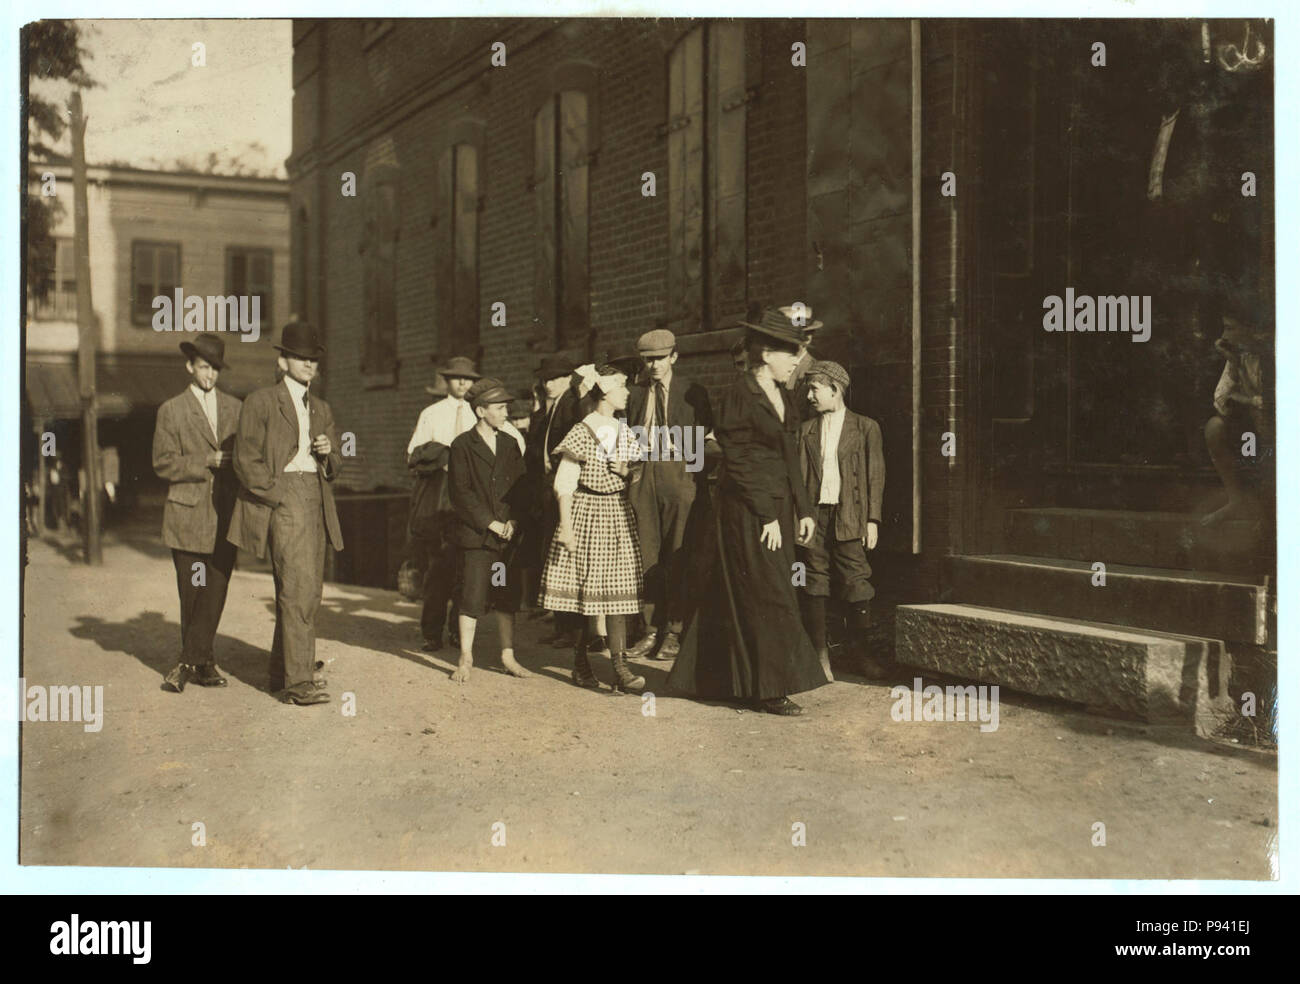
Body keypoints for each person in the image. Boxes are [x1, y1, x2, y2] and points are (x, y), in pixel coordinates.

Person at [668, 308, 829, 716]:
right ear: (767, 354)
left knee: (735, 592)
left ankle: (715, 679)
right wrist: (767, 515)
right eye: (791, 352)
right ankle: (769, 690)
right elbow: (737, 459)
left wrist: (803, 508)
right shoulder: (738, 394)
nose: (797, 359)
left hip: (777, 505)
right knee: (769, 592)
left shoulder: (785, 394)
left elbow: (789, 454)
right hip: (746, 509)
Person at [227, 322, 344, 706]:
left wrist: (328, 454)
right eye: (301, 358)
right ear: (282, 361)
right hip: (287, 496)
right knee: (296, 589)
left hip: (316, 496)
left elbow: (337, 464)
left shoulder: (322, 407)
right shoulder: (261, 402)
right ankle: (298, 683)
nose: (309, 364)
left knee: (308, 591)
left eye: (313, 359)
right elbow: (245, 460)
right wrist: (277, 494)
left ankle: (284, 674)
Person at [538, 364, 645, 693]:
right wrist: (566, 528)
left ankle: (620, 668)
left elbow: (638, 474)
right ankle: (581, 664)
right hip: (587, 513)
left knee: (617, 594)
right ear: (605, 393)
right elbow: (564, 484)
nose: (627, 392)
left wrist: (626, 471)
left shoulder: (623, 430)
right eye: (622, 387)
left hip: (616, 512)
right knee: (587, 595)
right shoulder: (582, 431)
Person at [152, 333, 242, 693]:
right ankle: (203, 663)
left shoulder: (236, 407)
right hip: (187, 514)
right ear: (190, 367)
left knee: (215, 590)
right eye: (204, 367)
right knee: (194, 591)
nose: (210, 376)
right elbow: (162, 463)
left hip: (225, 513)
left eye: (215, 369)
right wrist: (205, 461)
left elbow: (247, 456)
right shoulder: (171, 410)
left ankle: (189, 662)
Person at [625, 329, 715, 662]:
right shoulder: (634, 395)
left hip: (681, 474)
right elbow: (626, 439)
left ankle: (674, 631)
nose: (653, 366)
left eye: (660, 359)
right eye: (647, 360)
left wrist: (690, 471)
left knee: (678, 552)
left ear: (673, 357)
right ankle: (649, 630)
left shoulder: (693, 392)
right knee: (646, 555)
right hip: (645, 475)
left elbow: (706, 441)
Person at [797, 360, 886, 681]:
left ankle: (861, 654)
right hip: (814, 517)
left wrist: (872, 520)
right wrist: (800, 514)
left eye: (815, 389)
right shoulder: (805, 430)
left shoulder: (865, 428)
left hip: (851, 515)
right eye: (809, 389)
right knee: (814, 580)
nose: (810, 396)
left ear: (835, 390)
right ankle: (821, 657)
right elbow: (798, 477)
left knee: (856, 581)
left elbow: (875, 476)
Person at [447, 377, 530, 683]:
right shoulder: (462, 446)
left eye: (506, 407)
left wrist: (513, 521)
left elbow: (522, 489)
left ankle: (507, 655)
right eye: (499, 407)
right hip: (477, 538)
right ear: (481, 411)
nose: (506, 412)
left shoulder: (509, 443)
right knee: (472, 595)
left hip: (505, 540)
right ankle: (465, 657)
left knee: (505, 595)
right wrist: (490, 522)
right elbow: (461, 493)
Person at [406, 356, 480, 651]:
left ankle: (458, 631)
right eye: (456, 378)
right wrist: (444, 456)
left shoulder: (480, 414)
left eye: (468, 378)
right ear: (446, 381)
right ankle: (432, 632)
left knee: (465, 565)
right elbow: (413, 453)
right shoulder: (432, 413)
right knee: (438, 568)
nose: (463, 383)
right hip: (439, 496)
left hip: (469, 497)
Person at [525, 356, 582, 646]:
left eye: (555, 379)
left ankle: (572, 629)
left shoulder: (572, 405)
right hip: (549, 487)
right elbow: (537, 443)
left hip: (566, 487)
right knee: (552, 553)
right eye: (545, 380)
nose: (549, 384)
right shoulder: (551, 408)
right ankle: (562, 626)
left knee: (563, 555)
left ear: (568, 379)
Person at [1202, 316, 1269, 526]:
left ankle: (1270, 512)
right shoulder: (1240, 356)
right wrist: (1234, 363)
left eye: (1230, 328)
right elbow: (1221, 401)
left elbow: (1268, 404)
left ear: (1252, 329)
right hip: (1257, 429)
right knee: (1215, 427)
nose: (1223, 336)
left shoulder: (1273, 354)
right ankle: (1236, 500)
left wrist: (1245, 399)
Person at [782, 304, 823, 424]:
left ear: (807, 338)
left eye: (791, 336)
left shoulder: (815, 370)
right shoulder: (775, 364)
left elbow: (813, 422)